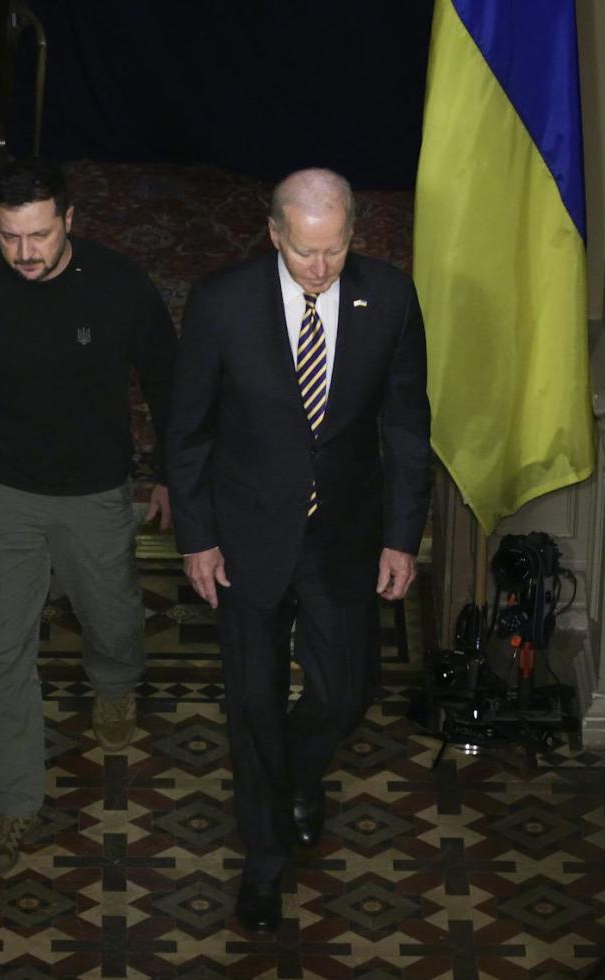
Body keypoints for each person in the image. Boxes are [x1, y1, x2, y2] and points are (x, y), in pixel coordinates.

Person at [167, 167, 432, 932]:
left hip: (345, 535)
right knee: (251, 702)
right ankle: (265, 859)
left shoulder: (389, 298)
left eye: (336, 249)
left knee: (346, 693)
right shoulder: (221, 303)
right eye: (304, 252)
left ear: (355, 231)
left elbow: (407, 428)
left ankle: (297, 773)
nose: (320, 267)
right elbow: (187, 432)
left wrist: (400, 537)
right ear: (275, 233)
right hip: (245, 535)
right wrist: (198, 539)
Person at [0, 158, 176, 874]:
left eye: (38, 236)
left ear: (69, 220)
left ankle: (116, 682)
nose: (24, 253)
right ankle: (11, 803)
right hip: (5, 494)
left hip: (97, 492)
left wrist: (174, 478)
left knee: (116, 617)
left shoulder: (121, 286)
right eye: (8, 237)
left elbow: (169, 385)